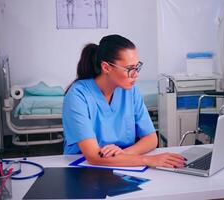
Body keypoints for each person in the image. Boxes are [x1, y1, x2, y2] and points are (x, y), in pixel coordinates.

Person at [63, 34, 185, 168]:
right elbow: (93, 156)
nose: (136, 74)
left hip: (125, 165)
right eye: (129, 69)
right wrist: (147, 160)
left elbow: (151, 139)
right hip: (82, 168)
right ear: (106, 68)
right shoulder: (78, 95)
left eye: (137, 67)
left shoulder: (130, 91)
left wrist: (123, 153)